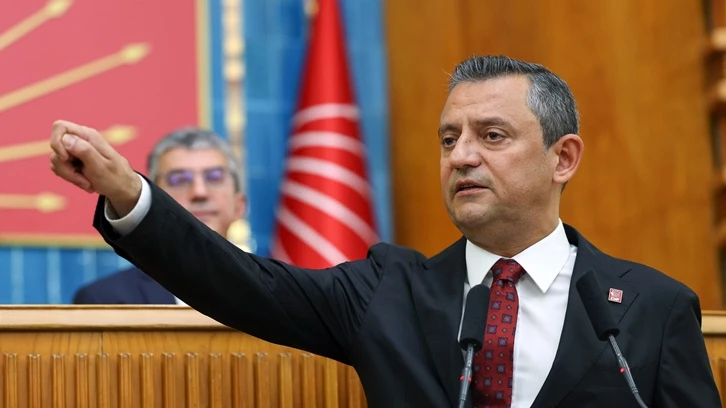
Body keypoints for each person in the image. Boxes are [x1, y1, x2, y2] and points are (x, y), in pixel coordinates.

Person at [49, 55, 719, 407]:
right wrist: (128, 192)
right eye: (449, 139)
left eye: (491, 136)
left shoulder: (651, 310)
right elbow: (241, 282)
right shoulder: (387, 292)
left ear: (562, 158)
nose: (461, 156)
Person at [71, 127, 246, 305]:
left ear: (240, 205)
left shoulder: (265, 294)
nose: (199, 192)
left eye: (214, 177)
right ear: (152, 205)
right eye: (178, 180)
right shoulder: (104, 300)